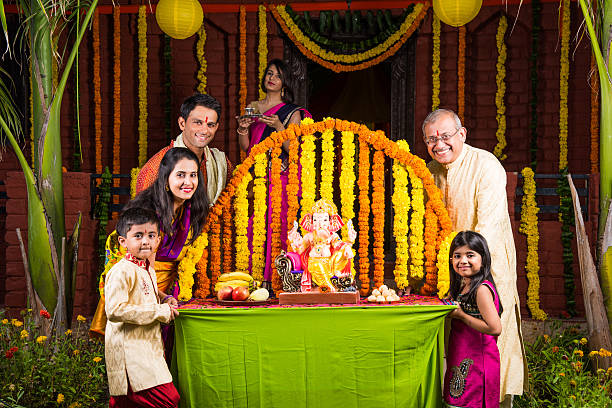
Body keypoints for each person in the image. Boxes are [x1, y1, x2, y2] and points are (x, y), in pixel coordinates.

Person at [422, 108, 526, 407]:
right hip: (448, 272)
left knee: (491, 346)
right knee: (456, 343)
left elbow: (488, 228)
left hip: (485, 270)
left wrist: (467, 272)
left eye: (445, 136)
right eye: (431, 139)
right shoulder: (428, 172)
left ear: (462, 134)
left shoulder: (485, 165)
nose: (439, 144)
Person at [91, 147, 208, 337]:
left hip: (166, 286)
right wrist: (162, 299)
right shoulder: (149, 214)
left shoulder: (191, 209)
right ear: (166, 180)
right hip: (138, 283)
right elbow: (143, 270)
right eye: (180, 175)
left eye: (193, 175)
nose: (188, 182)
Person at [235, 59, 312, 281]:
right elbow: (246, 147)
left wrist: (279, 127)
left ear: (284, 83)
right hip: (258, 177)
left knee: (280, 226)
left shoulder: (293, 113)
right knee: (255, 226)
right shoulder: (254, 106)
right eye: (269, 74)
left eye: (277, 76)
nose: (271, 78)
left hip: (283, 177)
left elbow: (294, 150)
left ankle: (280, 279)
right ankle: (256, 278)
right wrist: (242, 129)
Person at [104, 207, 180, 407]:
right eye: (138, 235)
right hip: (130, 351)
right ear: (123, 242)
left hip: (147, 347)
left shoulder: (144, 266)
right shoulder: (121, 272)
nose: (145, 241)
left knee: (128, 403)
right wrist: (160, 312)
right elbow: (115, 310)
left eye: (151, 235)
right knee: (167, 400)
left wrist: (164, 298)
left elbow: (144, 293)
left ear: (157, 240)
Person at [137, 93, 232, 206]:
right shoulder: (157, 167)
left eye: (210, 125)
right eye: (198, 123)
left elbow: (237, 194)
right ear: (182, 123)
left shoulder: (220, 163)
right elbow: (142, 216)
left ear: (216, 127)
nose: (205, 130)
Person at [444, 231, 502, 408]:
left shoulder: (481, 289)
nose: (462, 261)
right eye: (457, 256)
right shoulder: (464, 285)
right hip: (461, 356)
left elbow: (494, 328)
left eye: (470, 255)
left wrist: (462, 316)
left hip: (478, 364)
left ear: (483, 258)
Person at [287, 199, 357, 292]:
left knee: (344, 249)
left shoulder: (332, 235)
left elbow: (339, 246)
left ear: (330, 222)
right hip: (314, 263)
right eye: (316, 219)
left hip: (330, 263)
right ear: (311, 222)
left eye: (324, 219)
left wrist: (350, 241)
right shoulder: (309, 236)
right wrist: (294, 241)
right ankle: (329, 288)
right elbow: (300, 250)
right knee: (318, 265)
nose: (320, 223)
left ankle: (336, 273)